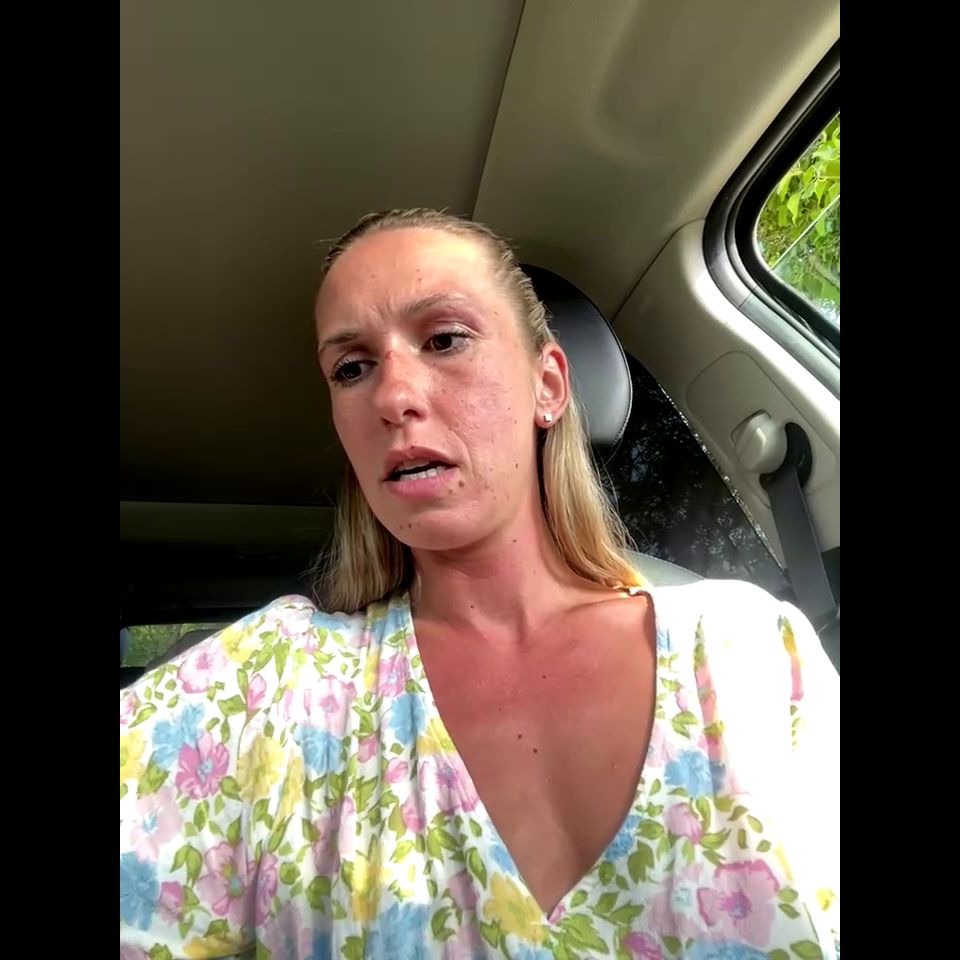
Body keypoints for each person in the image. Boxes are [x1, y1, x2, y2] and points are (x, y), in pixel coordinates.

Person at [120, 208, 839, 960]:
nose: (392, 397)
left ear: (547, 384)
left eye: (444, 339)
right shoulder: (266, 685)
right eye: (352, 369)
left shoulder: (749, 648)